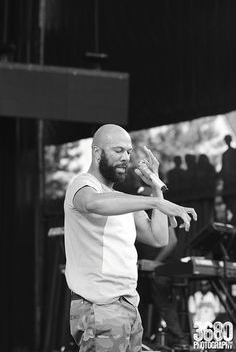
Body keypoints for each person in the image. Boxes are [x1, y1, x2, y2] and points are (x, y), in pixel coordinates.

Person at [64, 124, 197, 352]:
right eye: (118, 150)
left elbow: (158, 238)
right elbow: (92, 203)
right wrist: (155, 203)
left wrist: (156, 188)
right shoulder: (83, 184)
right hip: (100, 307)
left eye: (128, 151)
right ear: (97, 153)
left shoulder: (122, 200)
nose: (126, 157)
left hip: (128, 306)